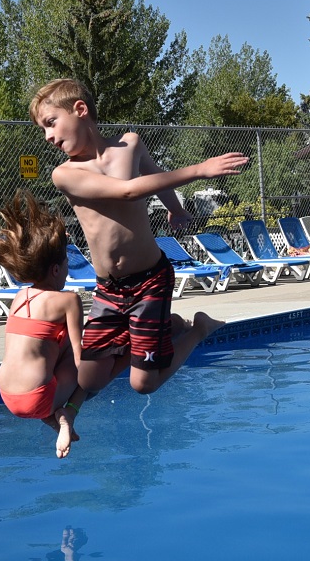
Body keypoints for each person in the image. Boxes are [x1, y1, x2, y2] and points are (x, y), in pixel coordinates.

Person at [29, 78, 248, 396]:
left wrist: (175, 209)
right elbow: (127, 191)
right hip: (109, 288)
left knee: (143, 384)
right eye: (43, 130)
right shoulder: (64, 174)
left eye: (51, 123)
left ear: (80, 109)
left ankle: (198, 328)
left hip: (150, 281)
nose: (48, 136)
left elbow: (153, 172)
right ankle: (164, 327)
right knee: (88, 381)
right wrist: (198, 169)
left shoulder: (130, 144)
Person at [0, 191, 102, 458]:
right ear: (56, 270)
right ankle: (67, 416)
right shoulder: (68, 300)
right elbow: (81, 358)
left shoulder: (19, 297)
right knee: (92, 357)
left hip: (7, 395)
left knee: (47, 346)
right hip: (38, 396)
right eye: (67, 264)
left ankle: (52, 417)